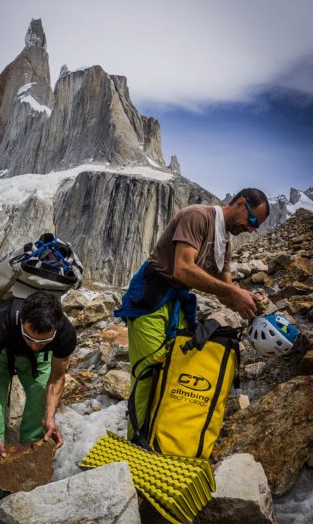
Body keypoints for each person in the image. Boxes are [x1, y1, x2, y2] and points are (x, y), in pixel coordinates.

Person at [115, 188, 270, 439]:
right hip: (150, 297)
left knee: (171, 369)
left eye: (256, 227)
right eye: (253, 221)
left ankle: (156, 435)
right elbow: (182, 269)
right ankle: (135, 440)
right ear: (241, 203)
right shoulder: (197, 217)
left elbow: (225, 291)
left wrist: (247, 299)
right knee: (148, 372)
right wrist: (233, 293)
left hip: (177, 302)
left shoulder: (225, 244)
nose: (252, 229)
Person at [0, 291, 76, 512]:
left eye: (42, 341)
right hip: (4, 354)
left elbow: (56, 378)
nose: (34, 346)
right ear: (22, 321)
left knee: (38, 417)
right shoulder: (1, 323)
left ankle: (29, 479)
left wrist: (50, 416)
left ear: (55, 328)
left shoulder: (64, 334)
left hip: (41, 362)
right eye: (30, 338)